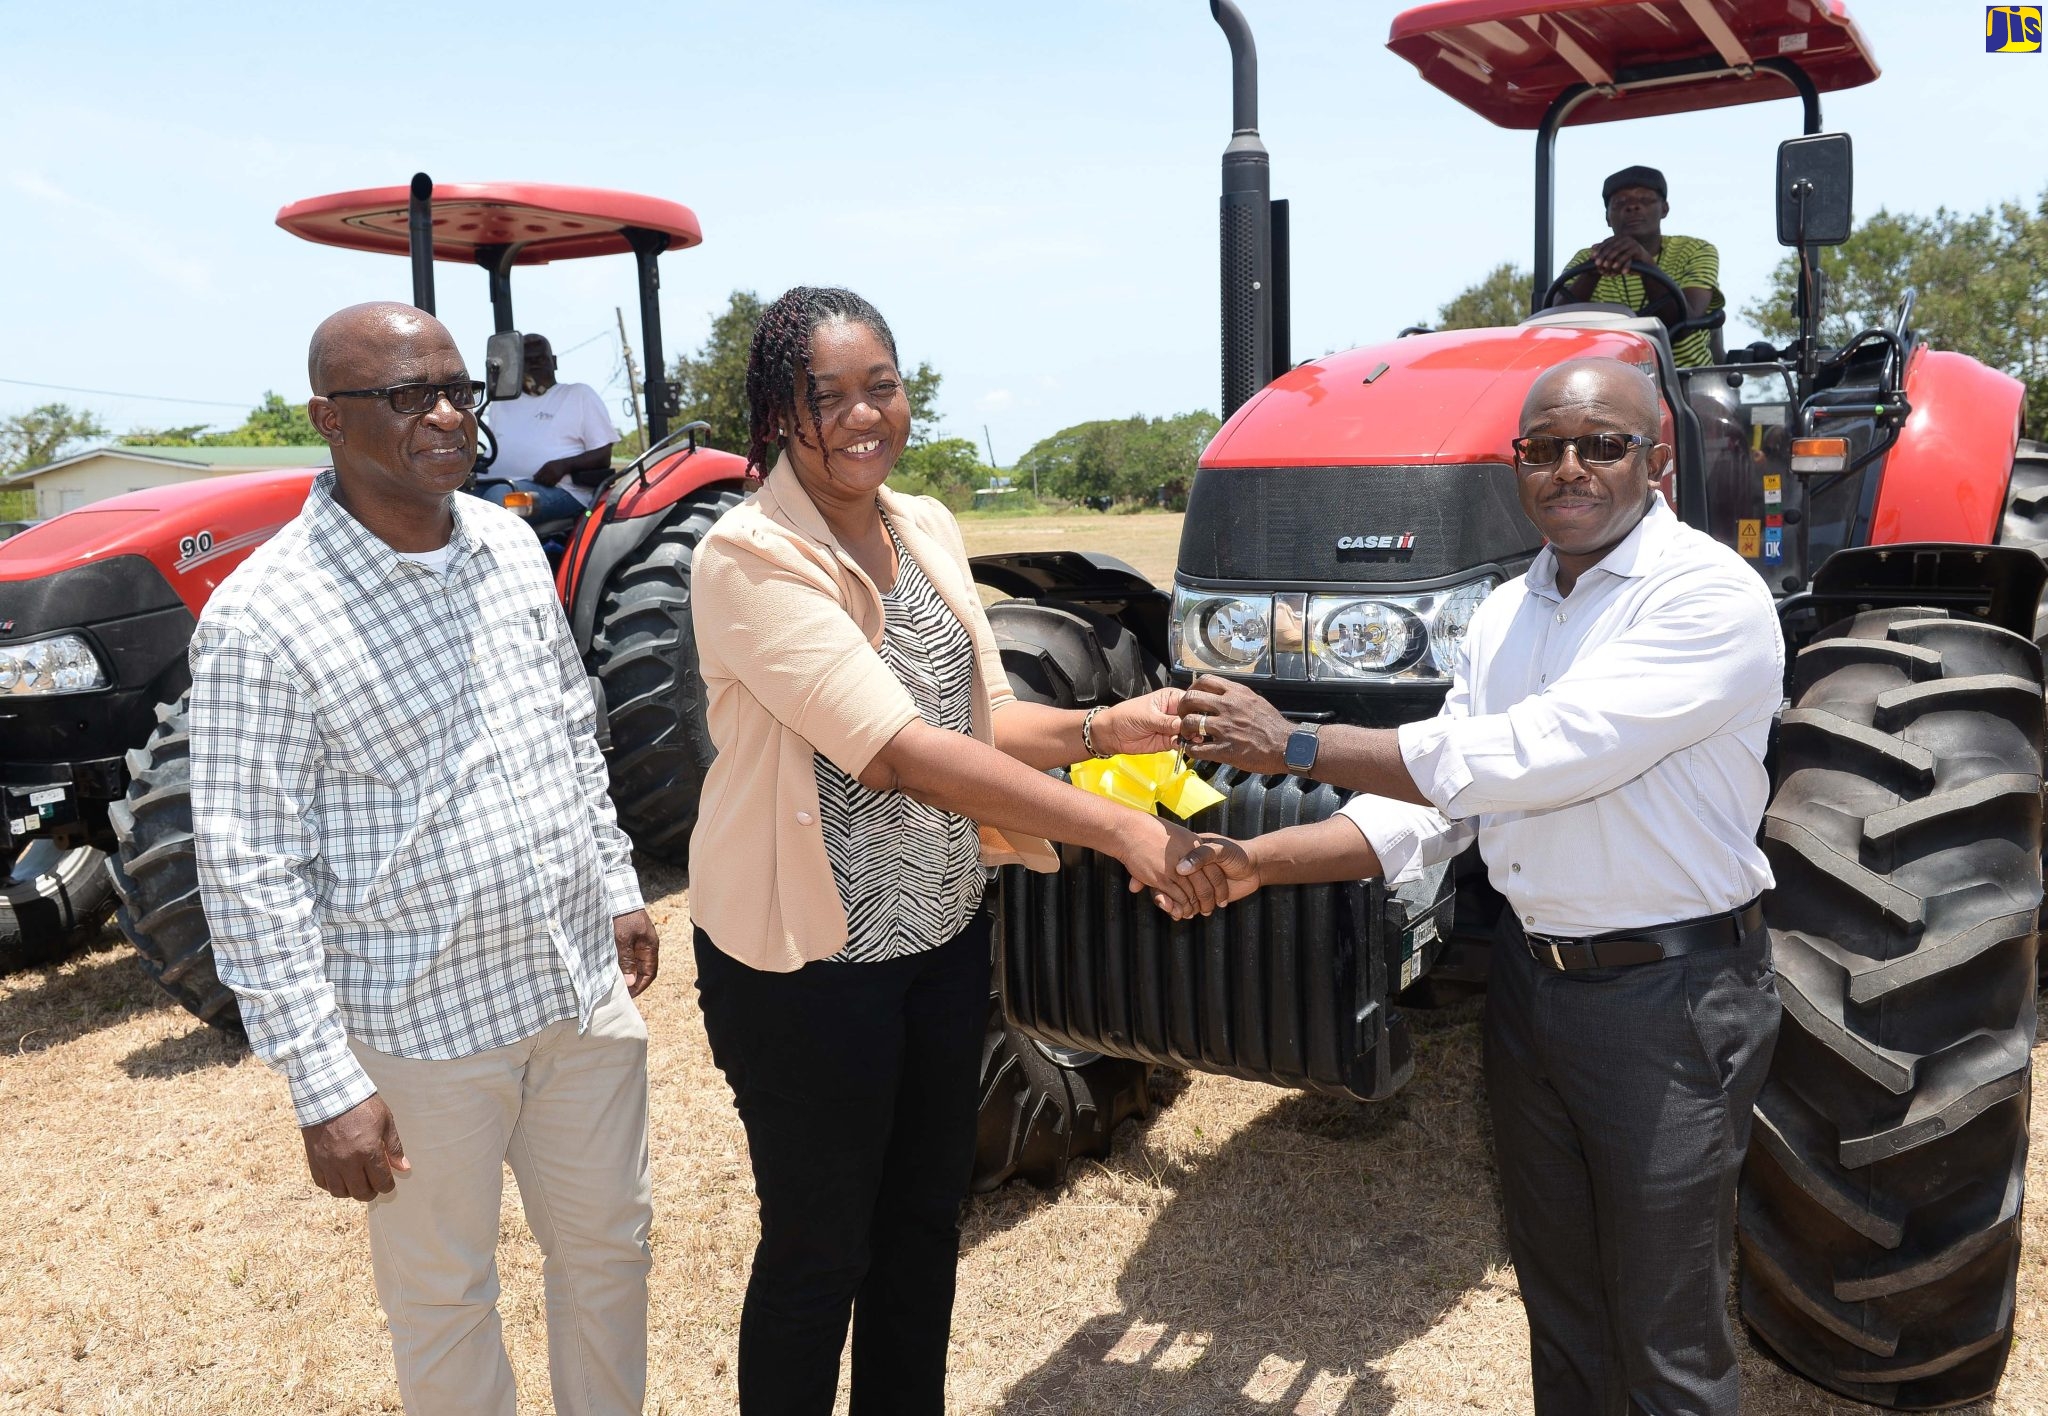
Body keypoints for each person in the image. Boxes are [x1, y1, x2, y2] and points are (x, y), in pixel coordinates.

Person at [1171, 358, 1784, 1416]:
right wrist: (1250, 865)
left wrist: (1298, 744)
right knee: (1564, 1311)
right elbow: (1434, 808)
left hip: (1668, 1005)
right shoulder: (1507, 611)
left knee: (1662, 1333)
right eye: (1540, 448)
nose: (1567, 468)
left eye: (1600, 444)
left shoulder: (1705, 597)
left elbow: (1535, 756)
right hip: (1535, 994)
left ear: (1657, 461)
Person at [687, 285, 1225, 1415]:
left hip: (936, 937)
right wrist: (1121, 826)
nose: (859, 415)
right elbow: (895, 751)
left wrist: (1096, 733)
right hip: (805, 968)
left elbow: (973, 715)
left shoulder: (919, 524)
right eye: (823, 395)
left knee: (923, 1222)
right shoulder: (749, 558)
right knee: (819, 1247)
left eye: (878, 386)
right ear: (780, 412)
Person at [188, 302, 661, 1416]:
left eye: (460, 389)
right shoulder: (264, 618)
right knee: (445, 1302)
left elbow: (566, 726)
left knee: (612, 1258)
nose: (450, 415)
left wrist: (615, 886)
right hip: (417, 1033)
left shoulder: (502, 543)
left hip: (574, 996)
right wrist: (321, 1083)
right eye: (411, 396)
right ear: (329, 419)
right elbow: (249, 869)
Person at [1553, 165, 1724, 367]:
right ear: (1608, 216)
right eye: (1620, 203)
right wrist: (1593, 270)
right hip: (1608, 378)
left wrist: (1646, 263)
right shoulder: (1586, 258)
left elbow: (1685, 323)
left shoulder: (1696, 250)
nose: (1633, 207)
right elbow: (1555, 323)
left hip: (1687, 380)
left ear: (1665, 209)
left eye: (1645, 200)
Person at [480, 332, 618, 520]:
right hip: (498, 483)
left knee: (497, 500)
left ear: (554, 362)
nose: (535, 364)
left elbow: (603, 455)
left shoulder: (578, 395)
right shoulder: (501, 403)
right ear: (517, 366)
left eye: (540, 358)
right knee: (448, 500)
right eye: (528, 360)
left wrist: (563, 465)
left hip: (561, 490)